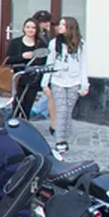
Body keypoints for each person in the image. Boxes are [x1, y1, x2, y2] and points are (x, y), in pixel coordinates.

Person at [43, 16, 89, 154]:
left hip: (74, 81)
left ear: (70, 27)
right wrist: (45, 83)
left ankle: (65, 137)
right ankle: (59, 141)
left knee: (68, 111)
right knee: (61, 110)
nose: (60, 27)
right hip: (58, 80)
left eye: (63, 24)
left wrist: (84, 84)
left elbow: (83, 65)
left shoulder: (80, 44)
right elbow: (49, 63)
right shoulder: (54, 43)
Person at [4, 18, 47, 119]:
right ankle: (14, 124)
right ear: (24, 28)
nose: (30, 30)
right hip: (18, 78)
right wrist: (22, 56)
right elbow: (8, 59)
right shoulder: (15, 42)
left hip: (33, 79)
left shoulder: (41, 44)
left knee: (28, 105)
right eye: (28, 27)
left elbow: (43, 62)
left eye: (33, 28)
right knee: (16, 105)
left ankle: (25, 125)